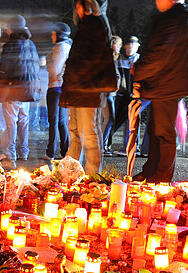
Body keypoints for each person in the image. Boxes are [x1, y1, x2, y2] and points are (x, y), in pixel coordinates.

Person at [131, 0, 188, 183]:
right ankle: (151, 171)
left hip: (167, 82)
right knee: (155, 130)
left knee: (164, 133)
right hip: (163, 83)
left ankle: (161, 177)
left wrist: (140, 70)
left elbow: (160, 53)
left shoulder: (175, 19)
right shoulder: (174, 18)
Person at [60, 0, 118, 175]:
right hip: (78, 89)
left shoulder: (96, 25)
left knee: (89, 135)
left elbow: (96, 60)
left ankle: (93, 176)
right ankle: (70, 173)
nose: (75, 9)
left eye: (78, 4)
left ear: (85, 6)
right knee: (75, 133)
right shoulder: (87, 27)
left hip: (87, 89)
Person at [0, 15, 41, 169]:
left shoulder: (10, 46)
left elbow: (4, 70)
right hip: (28, 91)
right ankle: (24, 152)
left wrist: (0, 90)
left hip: (12, 90)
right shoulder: (31, 45)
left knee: (11, 124)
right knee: (23, 122)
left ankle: (10, 155)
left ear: (11, 29)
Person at [46, 22, 72, 161]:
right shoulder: (68, 47)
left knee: (54, 121)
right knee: (62, 122)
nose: (51, 35)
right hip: (63, 88)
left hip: (55, 87)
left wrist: (47, 60)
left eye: (53, 33)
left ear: (59, 34)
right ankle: (64, 152)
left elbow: (54, 70)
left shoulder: (59, 48)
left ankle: (50, 152)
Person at [101, 35, 122, 155]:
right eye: (117, 44)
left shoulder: (112, 59)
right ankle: (102, 146)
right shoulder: (108, 59)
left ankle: (102, 145)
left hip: (109, 93)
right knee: (109, 119)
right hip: (107, 93)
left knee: (106, 120)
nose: (119, 47)